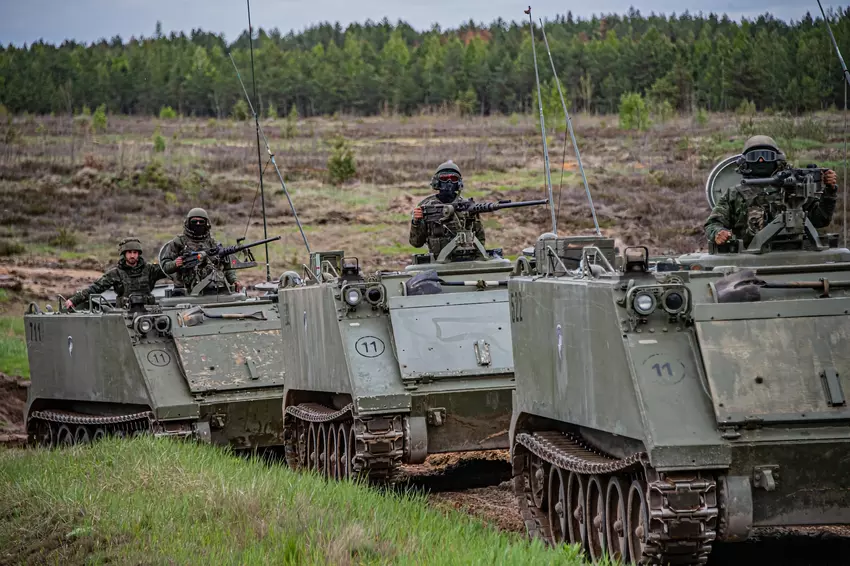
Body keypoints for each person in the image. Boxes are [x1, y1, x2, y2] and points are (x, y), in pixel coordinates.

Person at [705, 136, 838, 247]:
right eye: (754, 156)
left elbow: (821, 219)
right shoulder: (735, 194)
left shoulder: (795, 188)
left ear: (778, 159)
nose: (761, 160)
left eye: (767, 156)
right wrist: (718, 232)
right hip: (750, 256)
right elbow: (712, 224)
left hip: (794, 254)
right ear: (744, 162)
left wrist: (829, 191)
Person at [65, 237, 168, 309]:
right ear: (124, 253)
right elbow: (95, 288)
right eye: (129, 252)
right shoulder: (116, 273)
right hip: (124, 314)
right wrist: (74, 300)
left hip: (149, 313)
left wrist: (175, 263)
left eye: (135, 252)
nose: (132, 256)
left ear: (138, 254)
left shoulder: (150, 269)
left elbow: (169, 269)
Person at [409, 161, 485, 257]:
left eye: (453, 179)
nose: (449, 182)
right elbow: (416, 243)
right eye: (444, 178)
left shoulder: (467, 206)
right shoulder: (426, 207)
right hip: (438, 261)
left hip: (465, 259)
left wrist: (478, 259)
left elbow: (480, 238)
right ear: (437, 181)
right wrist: (416, 222)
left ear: (459, 182)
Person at [160, 207, 242, 294]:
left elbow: (226, 265)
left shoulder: (213, 244)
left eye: (201, 222)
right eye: (194, 221)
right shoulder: (178, 242)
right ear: (188, 223)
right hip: (185, 291)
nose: (198, 224)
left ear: (206, 224)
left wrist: (234, 280)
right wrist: (175, 264)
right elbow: (165, 265)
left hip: (212, 290)